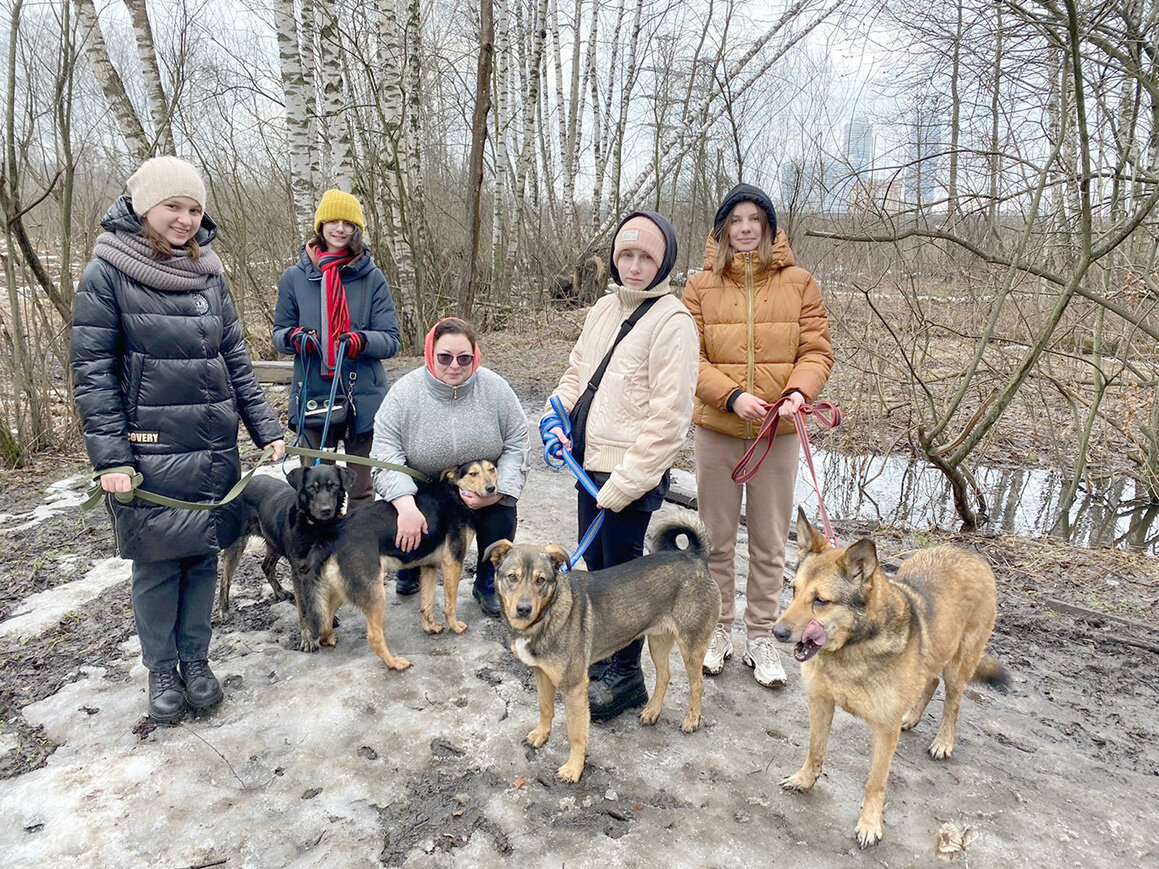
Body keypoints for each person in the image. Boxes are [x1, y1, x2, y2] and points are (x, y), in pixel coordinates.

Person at [70, 156, 285, 723]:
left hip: (212, 444)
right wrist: (111, 458)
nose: (185, 219)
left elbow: (235, 357)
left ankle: (196, 661)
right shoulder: (106, 273)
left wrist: (266, 429)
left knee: (202, 557)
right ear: (144, 207)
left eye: (194, 208)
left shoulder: (210, 274)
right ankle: (161, 669)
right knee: (158, 564)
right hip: (148, 450)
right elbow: (92, 374)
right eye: (173, 206)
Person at [542, 211, 698, 721]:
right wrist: (555, 417)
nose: (633, 266)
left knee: (627, 583)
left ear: (663, 262)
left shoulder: (673, 323)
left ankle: (628, 676)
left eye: (645, 257)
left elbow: (669, 418)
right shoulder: (604, 309)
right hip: (587, 464)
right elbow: (575, 375)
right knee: (597, 573)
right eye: (626, 255)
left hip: (629, 476)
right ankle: (607, 660)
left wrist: (629, 482)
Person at [683, 182, 833, 688]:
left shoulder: (800, 283)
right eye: (736, 220)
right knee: (717, 539)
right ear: (723, 228)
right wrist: (729, 396)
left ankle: (763, 636)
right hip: (718, 430)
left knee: (770, 543)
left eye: (755, 220)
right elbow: (690, 358)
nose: (745, 228)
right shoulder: (700, 287)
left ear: (769, 226)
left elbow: (816, 351)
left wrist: (797, 392)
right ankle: (719, 629)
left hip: (778, 433)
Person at [370, 317, 529, 616]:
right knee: (413, 507)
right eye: (444, 357)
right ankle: (411, 566)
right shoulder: (404, 393)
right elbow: (384, 452)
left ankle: (486, 582)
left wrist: (501, 489)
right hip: (421, 488)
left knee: (503, 510)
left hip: (480, 483)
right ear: (430, 353)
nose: (454, 365)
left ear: (475, 356)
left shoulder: (496, 389)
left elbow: (518, 443)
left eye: (464, 358)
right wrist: (404, 505)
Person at [272, 189, 400, 510]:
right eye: (333, 221)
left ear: (357, 230)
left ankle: (357, 553)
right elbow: (279, 334)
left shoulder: (372, 278)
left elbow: (391, 340)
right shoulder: (295, 278)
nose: (340, 229)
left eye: (348, 223)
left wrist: (361, 341)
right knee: (315, 488)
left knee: (360, 489)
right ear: (321, 225)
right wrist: (297, 338)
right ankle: (317, 555)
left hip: (362, 398)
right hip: (313, 395)